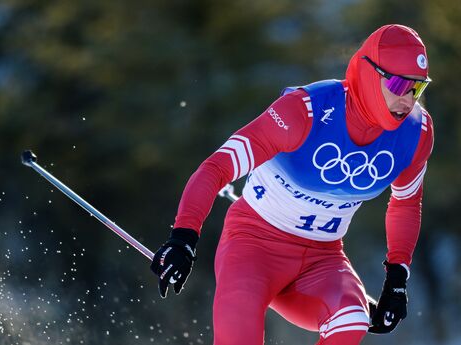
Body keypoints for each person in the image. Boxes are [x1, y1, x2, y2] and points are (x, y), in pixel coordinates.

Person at [151, 24, 434, 345]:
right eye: (398, 84)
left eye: (417, 88)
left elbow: (406, 203)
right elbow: (217, 167)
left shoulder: (417, 132)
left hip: (322, 259)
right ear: (370, 74)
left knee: (352, 318)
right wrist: (183, 237)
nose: (407, 100)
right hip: (252, 246)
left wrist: (397, 278)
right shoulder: (304, 111)